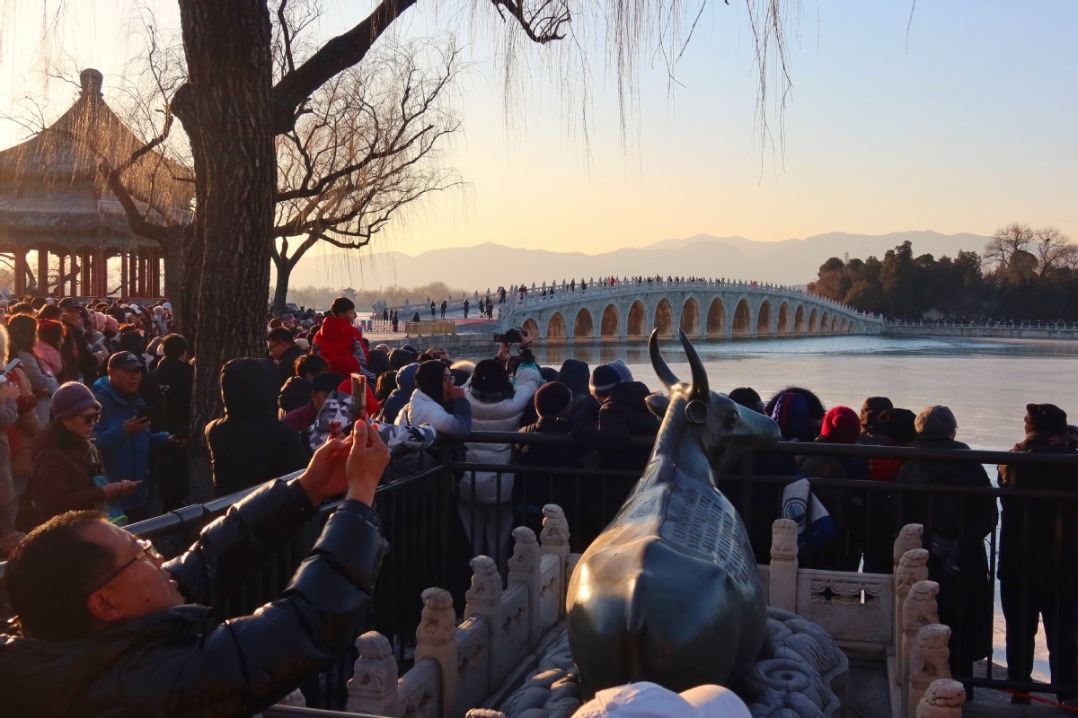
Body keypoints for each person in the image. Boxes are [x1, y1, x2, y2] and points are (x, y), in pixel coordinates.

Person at [1, 420, 389, 717]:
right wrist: (359, 501)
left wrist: (307, 488)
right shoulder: (136, 689)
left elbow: (206, 561)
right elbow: (302, 627)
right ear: (105, 605)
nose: (158, 558)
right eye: (141, 553)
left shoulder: (76, 651)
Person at [895, 405, 996, 698]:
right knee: (963, 620)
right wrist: (961, 543)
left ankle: (924, 684)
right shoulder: (970, 464)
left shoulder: (910, 466)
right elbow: (988, 513)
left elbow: (901, 514)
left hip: (923, 558)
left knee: (925, 618)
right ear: (952, 431)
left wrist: (931, 543)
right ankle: (964, 686)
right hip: (965, 558)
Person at [997, 403, 1078, 704]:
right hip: (1064, 560)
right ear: (1059, 433)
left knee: (1018, 630)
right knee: (1064, 633)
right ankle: (1067, 694)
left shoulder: (1011, 461)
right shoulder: (1071, 464)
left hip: (1018, 559)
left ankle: (1020, 690)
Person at [459, 358, 541, 573]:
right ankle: (499, 579)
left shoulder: (464, 399)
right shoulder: (514, 403)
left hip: (470, 478)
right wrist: (526, 354)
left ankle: (472, 577)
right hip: (502, 479)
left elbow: (467, 384)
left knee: (471, 533)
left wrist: (497, 358)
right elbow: (530, 381)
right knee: (500, 534)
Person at [30, 382, 140, 525]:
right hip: (68, 535)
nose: (93, 423)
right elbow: (53, 506)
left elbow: (94, 486)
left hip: (92, 527)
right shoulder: (52, 456)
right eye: (88, 418)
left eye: (97, 417)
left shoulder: (89, 447)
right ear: (65, 420)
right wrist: (104, 492)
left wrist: (117, 490)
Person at [205, 358, 309, 497]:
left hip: (228, 508)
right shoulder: (281, 432)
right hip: (269, 508)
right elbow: (299, 477)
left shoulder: (214, 429)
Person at [91, 351, 175, 522]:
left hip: (140, 493)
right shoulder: (96, 404)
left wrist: (164, 438)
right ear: (112, 373)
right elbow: (92, 445)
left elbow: (143, 436)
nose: (134, 377)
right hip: (113, 498)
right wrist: (123, 431)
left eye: (137, 372)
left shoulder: (137, 402)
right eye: (128, 372)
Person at [140, 334, 194, 511]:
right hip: (182, 431)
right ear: (183, 353)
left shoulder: (151, 375)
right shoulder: (190, 375)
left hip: (156, 430)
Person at [310, 297, 371, 380]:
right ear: (341, 315)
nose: (354, 316)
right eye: (351, 312)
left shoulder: (319, 334)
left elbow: (314, 353)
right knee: (372, 378)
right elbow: (362, 356)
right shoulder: (352, 332)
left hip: (324, 374)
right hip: (350, 375)